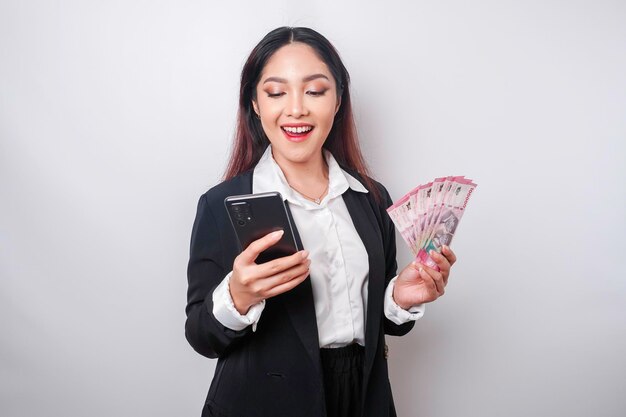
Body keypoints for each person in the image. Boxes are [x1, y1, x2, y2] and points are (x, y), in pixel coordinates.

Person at [185, 26, 457, 417]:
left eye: (315, 91)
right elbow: (201, 336)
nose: (296, 108)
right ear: (256, 103)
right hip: (263, 404)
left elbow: (376, 323)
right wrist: (239, 297)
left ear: (338, 100)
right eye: (276, 92)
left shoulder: (371, 198)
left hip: (363, 399)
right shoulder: (222, 204)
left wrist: (399, 299)